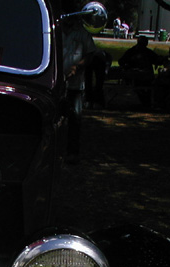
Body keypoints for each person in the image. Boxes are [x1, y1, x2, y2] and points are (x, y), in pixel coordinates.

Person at [62, 12, 97, 158]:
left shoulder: (83, 33)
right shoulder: (55, 30)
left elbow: (90, 54)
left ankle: (72, 152)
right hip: (55, 83)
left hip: (74, 85)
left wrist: (77, 67)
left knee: (74, 118)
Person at [118, 36, 162, 105]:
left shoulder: (133, 51)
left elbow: (121, 61)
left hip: (141, 77)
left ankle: (146, 100)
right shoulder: (146, 52)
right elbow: (158, 60)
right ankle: (147, 100)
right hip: (139, 77)